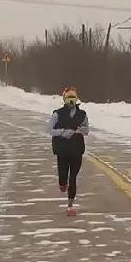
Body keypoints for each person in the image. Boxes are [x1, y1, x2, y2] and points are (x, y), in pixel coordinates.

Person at [47, 86, 89, 216]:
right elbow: (49, 130)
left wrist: (79, 130)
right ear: (64, 99)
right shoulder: (57, 114)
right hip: (63, 150)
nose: (71, 101)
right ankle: (62, 183)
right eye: (68, 98)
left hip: (77, 150)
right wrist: (63, 132)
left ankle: (70, 206)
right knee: (63, 177)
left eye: (73, 98)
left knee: (73, 178)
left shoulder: (82, 114)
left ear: (76, 99)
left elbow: (87, 130)